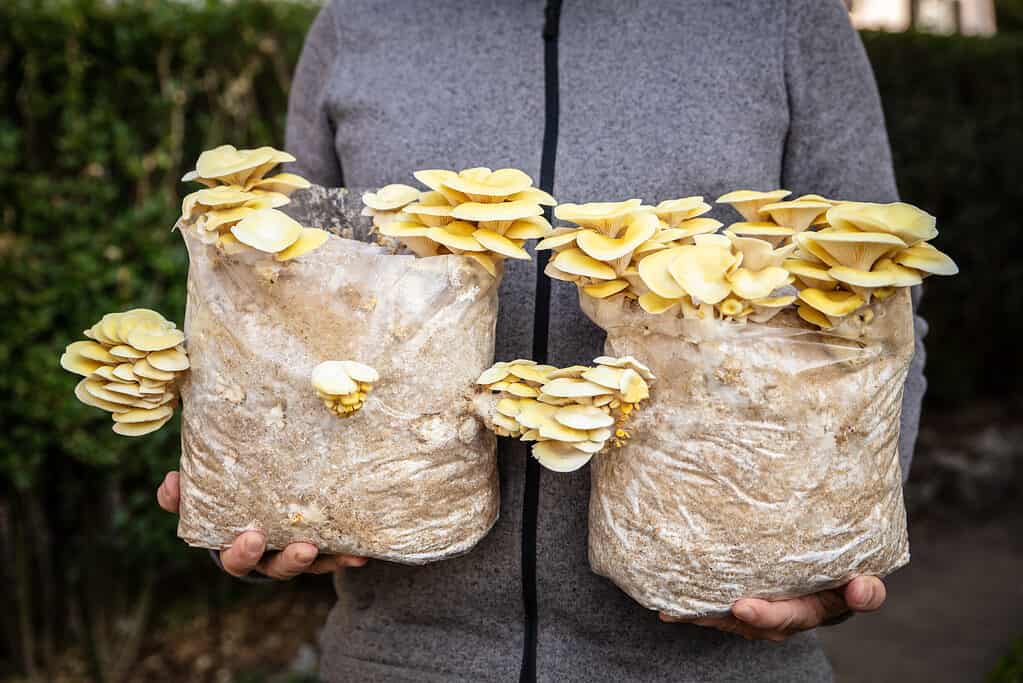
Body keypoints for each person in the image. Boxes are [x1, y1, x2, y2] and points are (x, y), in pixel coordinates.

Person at [157, 1, 928, 680]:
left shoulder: (782, 17)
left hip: (715, 664)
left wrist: (822, 562)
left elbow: (881, 323)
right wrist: (271, 508)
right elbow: (280, 308)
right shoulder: (362, 19)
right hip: (402, 654)